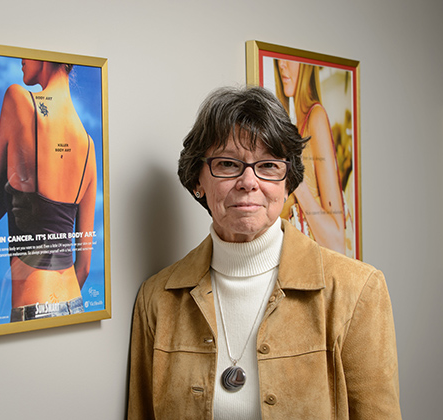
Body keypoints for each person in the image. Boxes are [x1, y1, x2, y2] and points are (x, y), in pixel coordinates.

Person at [127, 86, 401, 419]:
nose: (248, 181)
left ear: (288, 182)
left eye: (269, 165)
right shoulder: (158, 298)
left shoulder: (356, 291)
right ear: (198, 179)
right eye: (228, 164)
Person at [0, 59, 97, 322]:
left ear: (48, 60)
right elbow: (84, 267)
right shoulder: (89, 146)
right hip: (75, 303)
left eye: (28, 54)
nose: (22, 60)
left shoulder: (18, 100)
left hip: (33, 305)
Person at [274, 59, 351, 256]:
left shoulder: (315, 118)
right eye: (278, 60)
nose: (282, 65)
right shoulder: (296, 130)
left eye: (288, 60)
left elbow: (336, 242)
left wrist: (294, 178)